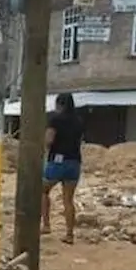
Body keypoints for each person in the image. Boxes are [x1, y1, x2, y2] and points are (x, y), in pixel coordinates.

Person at [42, 93, 84, 244]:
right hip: (74, 163)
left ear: (60, 104)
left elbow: (48, 139)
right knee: (68, 200)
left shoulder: (55, 120)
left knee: (43, 191)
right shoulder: (78, 121)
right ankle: (69, 234)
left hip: (58, 162)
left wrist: (46, 148)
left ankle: (46, 225)